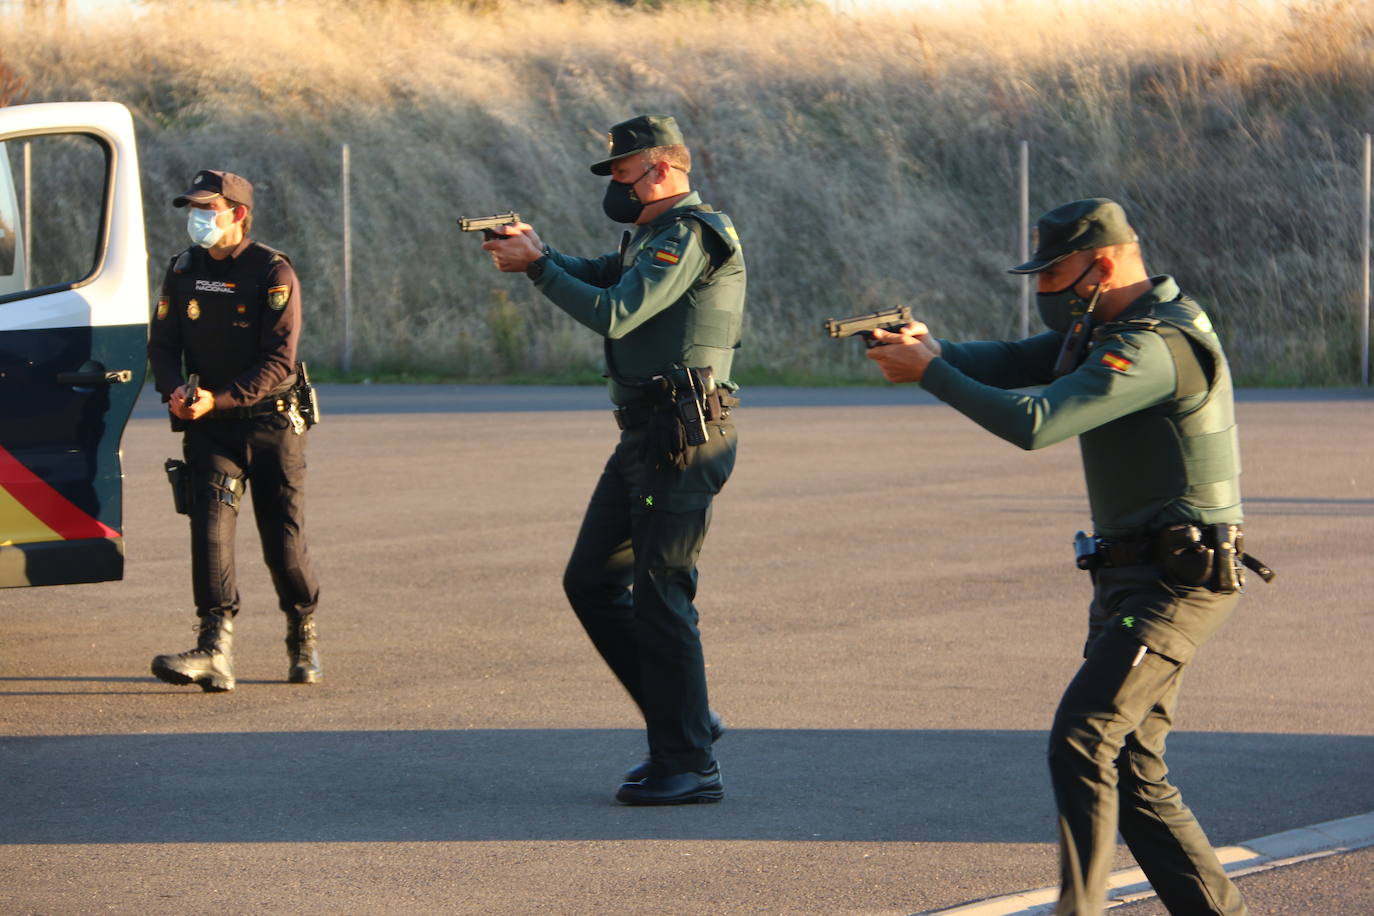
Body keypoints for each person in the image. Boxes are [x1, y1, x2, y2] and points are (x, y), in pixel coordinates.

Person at [867, 199, 1266, 915]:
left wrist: (930, 373)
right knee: (1134, 770)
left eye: (1053, 272)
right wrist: (931, 349)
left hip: (1177, 582)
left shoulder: (1151, 344)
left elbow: (1039, 422)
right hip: (1132, 575)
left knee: (1082, 739)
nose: (1044, 288)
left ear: (1103, 264)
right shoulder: (1106, 328)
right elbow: (1015, 361)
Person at [481, 115, 746, 805]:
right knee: (592, 581)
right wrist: (538, 251)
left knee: (662, 594)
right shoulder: (651, 236)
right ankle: (685, 720)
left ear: (660, 169)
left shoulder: (690, 232)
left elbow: (617, 312)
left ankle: (689, 762)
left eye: (623, 173)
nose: (615, 186)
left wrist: (536, 269)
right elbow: (600, 275)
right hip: (647, 436)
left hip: (681, 437)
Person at [147, 169, 321, 693]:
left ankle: (303, 631)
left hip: (271, 423)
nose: (197, 219)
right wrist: (175, 390)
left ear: (237, 215)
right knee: (210, 535)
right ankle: (215, 647)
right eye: (193, 210)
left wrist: (217, 398)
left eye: (207, 210)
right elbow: (162, 344)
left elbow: (278, 362)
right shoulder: (182, 270)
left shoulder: (273, 272)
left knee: (282, 543)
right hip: (209, 426)